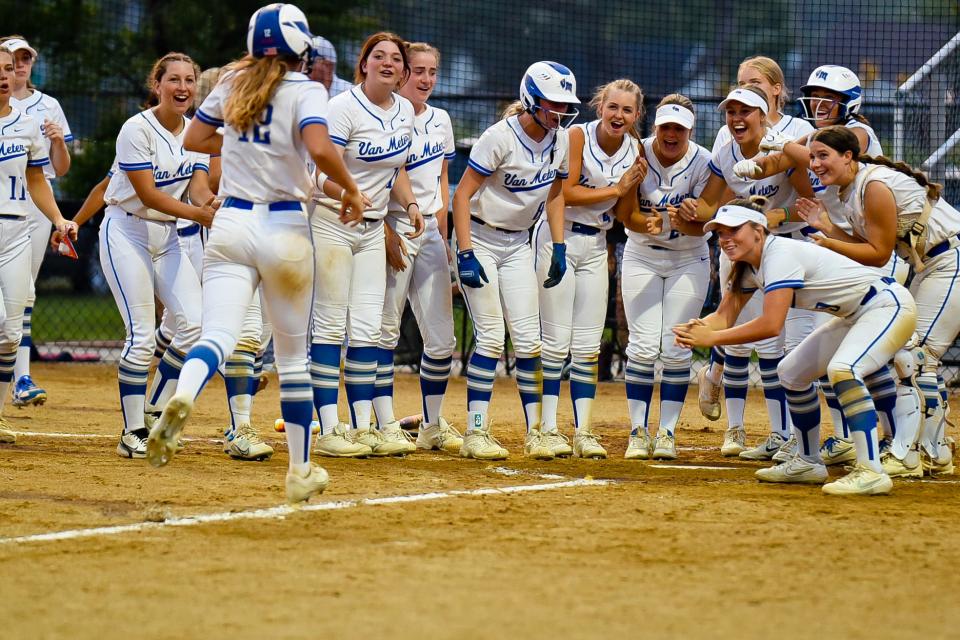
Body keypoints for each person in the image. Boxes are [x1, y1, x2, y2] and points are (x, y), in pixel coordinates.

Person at [146, 3, 365, 505]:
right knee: (292, 358)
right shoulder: (306, 89)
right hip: (285, 226)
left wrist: (243, 139)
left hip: (231, 223)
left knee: (218, 334)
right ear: (300, 48)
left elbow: (197, 138)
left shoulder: (231, 85)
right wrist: (350, 188)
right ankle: (300, 471)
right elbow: (322, 148)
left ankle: (183, 394)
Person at [674, 199, 917, 496]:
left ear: (758, 231)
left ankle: (871, 470)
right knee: (790, 372)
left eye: (734, 230)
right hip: (855, 314)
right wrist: (697, 328)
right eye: (721, 232)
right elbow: (723, 317)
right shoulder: (749, 266)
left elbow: (771, 325)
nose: (726, 239)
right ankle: (808, 461)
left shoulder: (779, 255)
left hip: (887, 305)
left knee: (843, 370)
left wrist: (711, 339)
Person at [793, 126, 960, 476]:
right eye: (812, 157)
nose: (815, 163)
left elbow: (878, 254)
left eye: (823, 155)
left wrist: (827, 243)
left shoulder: (874, 186)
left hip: (950, 259)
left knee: (914, 356)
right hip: (931, 263)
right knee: (914, 356)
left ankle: (908, 453)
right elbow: (863, 244)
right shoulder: (850, 189)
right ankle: (934, 451)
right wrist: (826, 228)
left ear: (848, 156)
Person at [452, 60, 578, 460]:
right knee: (490, 336)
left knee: (529, 340)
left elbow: (556, 194)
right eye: (551, 103)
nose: (558, 112)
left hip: (518, 244)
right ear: (530, 99)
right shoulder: (499, 138)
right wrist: (466, 251)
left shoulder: (560, 140)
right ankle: (475, 432)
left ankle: (537, 433)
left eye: (563, 104)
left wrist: (558, 246)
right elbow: (461, 195)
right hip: (482, 237)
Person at [308, 31, 423, 458]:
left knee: (367, 330)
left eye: (396, 58)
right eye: (379, 56)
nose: (388, 63)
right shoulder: (341, 109)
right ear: (364, 64)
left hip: (372, 229)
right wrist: (347, 195)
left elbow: (397, 170)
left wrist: (410, 205)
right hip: (332, 222)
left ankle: (360, 427)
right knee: (330, 325)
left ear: (402, 72)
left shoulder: (406, 111)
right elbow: (315, 173)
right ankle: (330, 429)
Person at [684, 86, 815, 461]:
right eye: (731, 112)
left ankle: (785, 434)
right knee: (743, 345)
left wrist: (778, 216)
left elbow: (810, 204)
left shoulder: (783, 147)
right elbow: (712, 202)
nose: (737, 118)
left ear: (763, 114)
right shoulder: (725, 153)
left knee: (785, 347)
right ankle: (751, 431)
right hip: (745, 251)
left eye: (746, 111)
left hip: (787, 249)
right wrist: (694, 209)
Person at [98, 52, 215, 459]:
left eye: (189, 80)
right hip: (126, 228)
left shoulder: (197, 133)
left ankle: (152, 409)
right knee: (142, 335)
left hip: (166, 236)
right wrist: (199, 214)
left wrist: (212, 205)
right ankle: (131, 433)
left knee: (195, 325)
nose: (182, 87)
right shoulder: (136, 128)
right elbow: (148, 195)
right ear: (157, 85)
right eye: (174, 80)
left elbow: (198, 189)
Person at [536, 78, 644, 460]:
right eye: (612, 107)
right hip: (557, 236)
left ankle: (582, 430)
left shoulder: (635, 149)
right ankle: (546, 428)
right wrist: (615, 190)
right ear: (600, 107)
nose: (619, 115)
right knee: (555, 339)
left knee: (586, 343)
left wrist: (657, 221)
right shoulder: (577, 136)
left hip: (596, 244)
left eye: (627, 110)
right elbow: (564, 193)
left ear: (635, 116)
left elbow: (624, 213)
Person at [372, 41, 463, 454]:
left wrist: (442, 232)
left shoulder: (441, 118)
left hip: (428, 232)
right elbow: (385, 176)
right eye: (418, 71)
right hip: (390, 226)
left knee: (443, 341)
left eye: (432, 71)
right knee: (384, 334)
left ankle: (430, 425)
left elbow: (443, 175)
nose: (426, 79)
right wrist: (387, 231)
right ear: (402, 73)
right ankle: (383, 423)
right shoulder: (389, 117)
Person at [613, 94, 712, 460]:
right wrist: (646, 222)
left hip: (689, 259)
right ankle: (638, 430)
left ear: (690, 130)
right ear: (655, 127)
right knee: (641, 344)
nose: (672, 135)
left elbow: (709, 220)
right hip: (643, 255)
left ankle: (667, 432)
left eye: (679, 129)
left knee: (676, 345)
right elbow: (625, 213)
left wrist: (690, 217)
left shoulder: (703, 161)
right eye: (666, 127)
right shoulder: (637, 154)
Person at [0, 48, 77, 443]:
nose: (5, 74)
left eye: (9, 68)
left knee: (11, 331)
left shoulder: (28, 123)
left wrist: (59, 219)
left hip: (16, 230)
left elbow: (38, 179)